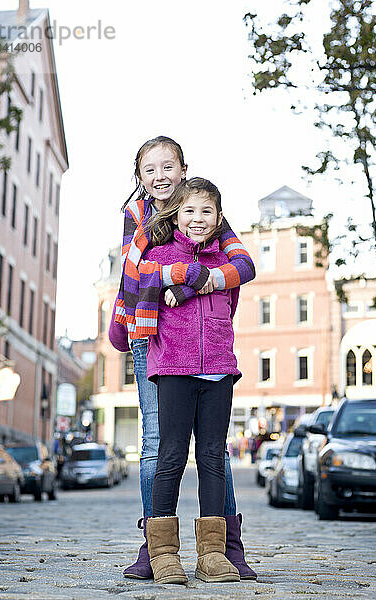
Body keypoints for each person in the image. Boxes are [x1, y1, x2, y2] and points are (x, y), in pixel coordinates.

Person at [108, 136, 256, 580]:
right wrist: (180, 275)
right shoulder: (138, 217)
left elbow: (242, 265)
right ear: (139, 177)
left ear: (183, 168)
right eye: (149, 170)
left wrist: (204, 280)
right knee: (157, 444)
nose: (160, 177)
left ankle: (226, 547)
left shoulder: (203, 209)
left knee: (214, 452)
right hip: (152, 336)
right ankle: (154, 547)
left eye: (168, 166)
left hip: (209, 350)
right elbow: (132, 274)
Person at [143, 177, 245, 584]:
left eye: (207, 211)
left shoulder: (228, 262)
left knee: (213, 458)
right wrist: (182, 280)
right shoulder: (161, 256)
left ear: (219, 218)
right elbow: (143, 284)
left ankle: (213, 554)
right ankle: (164, 553)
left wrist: (189, 291)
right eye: (190, 211)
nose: (198, 219)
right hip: (174, 368)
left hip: (219, 368)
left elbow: (230, 301)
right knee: (170, 457)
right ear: (177, 215)